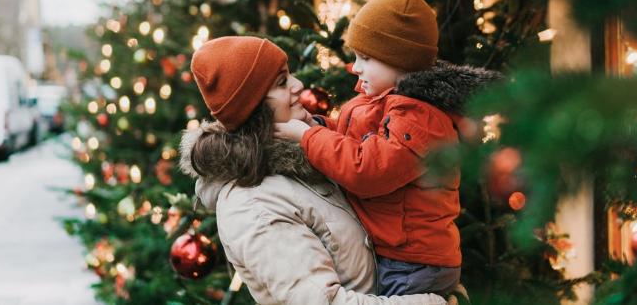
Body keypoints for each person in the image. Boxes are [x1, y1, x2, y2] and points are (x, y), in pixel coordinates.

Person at [179, 35, 446, 305]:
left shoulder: (308, 157)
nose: (298, 85)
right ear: (255, 107)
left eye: (290, 74)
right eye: (282, 82)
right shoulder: (253, 206)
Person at [275, 0, 500, 296]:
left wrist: (307, 137)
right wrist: (316, 126)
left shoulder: (419, 117)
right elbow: (352, 140)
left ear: (401, 61)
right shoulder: (385, 103)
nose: (355, 67)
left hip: (413, 263)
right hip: (398, 255)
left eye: (366, 59)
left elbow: (368, 170)